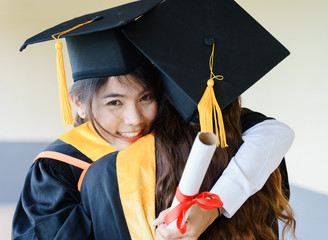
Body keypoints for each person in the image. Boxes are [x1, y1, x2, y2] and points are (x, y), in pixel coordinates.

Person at [12, 1, 295, 239]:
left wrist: (212, 204)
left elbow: (272, 132)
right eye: (114, 102)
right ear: (79, 104)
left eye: (146, 98)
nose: (134, 119)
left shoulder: (179, 130)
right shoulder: (57, 169)